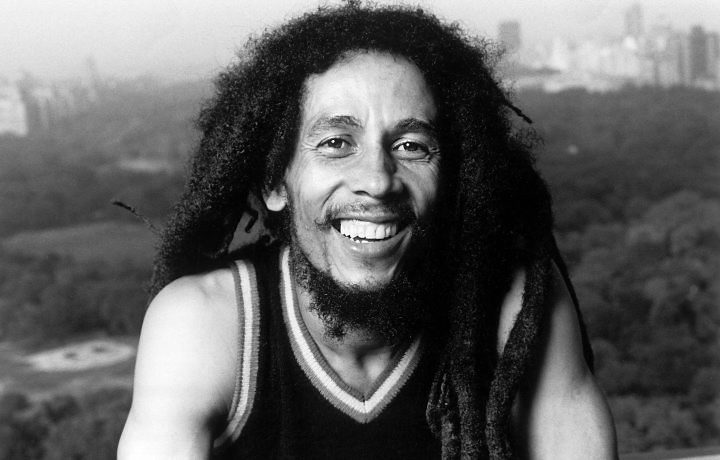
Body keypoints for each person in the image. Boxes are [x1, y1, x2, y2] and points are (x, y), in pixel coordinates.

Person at [118, 4, 617, 459]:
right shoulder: (205, 326)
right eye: (337, 143)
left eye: (411, 146)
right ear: (275, 182)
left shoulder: (515, 303)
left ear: (453, 179)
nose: (377, 181)